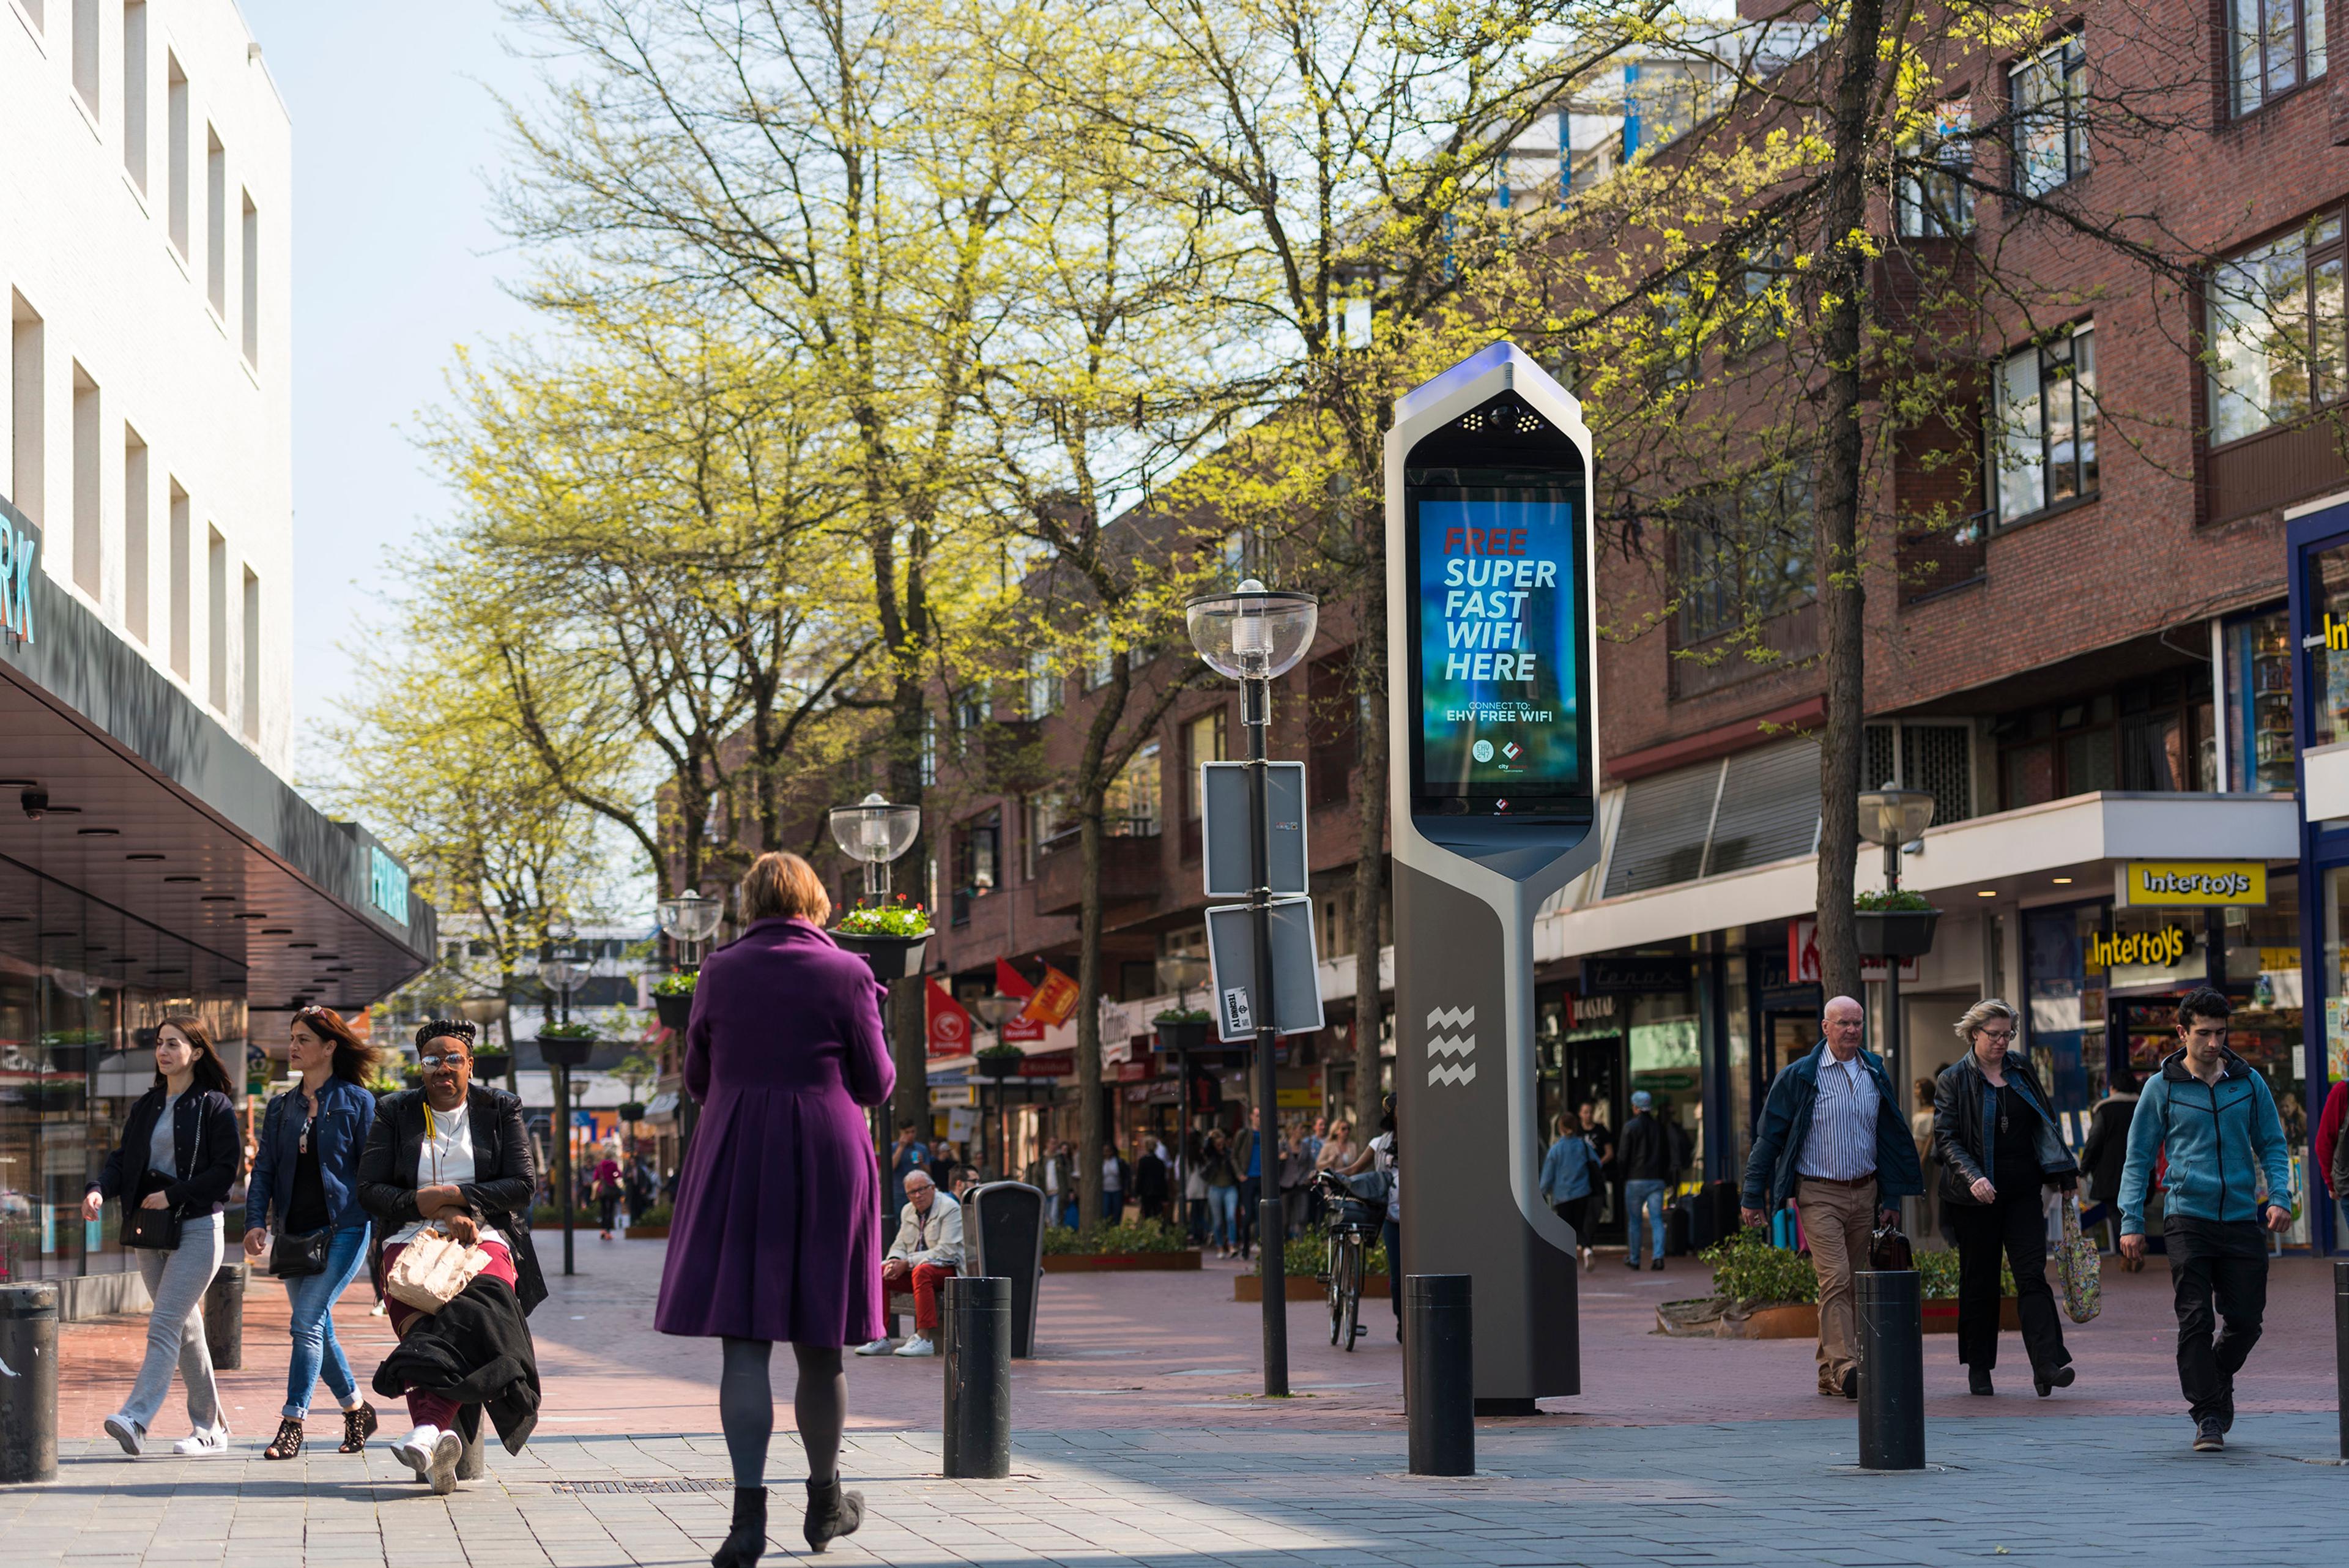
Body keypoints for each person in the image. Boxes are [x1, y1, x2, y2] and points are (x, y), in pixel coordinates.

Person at [653, 852, 892, 1559]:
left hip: (737, 1151)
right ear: (815, 902)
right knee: (822, 1345)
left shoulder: (719, 970)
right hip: (827, 1152)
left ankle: (746, 1521)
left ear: (751, 903)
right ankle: (825, 1504)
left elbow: (697, 1077)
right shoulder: (849, 972)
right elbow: (876, 1083)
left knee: (745, 1342)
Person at [358, 1020, 547, 1495]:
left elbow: (523, 1184)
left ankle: (428, 1431)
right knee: (425, 1323)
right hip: (410, 1236)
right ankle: (437, 1441)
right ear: (420, 1067)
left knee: (472, 1314)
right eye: (432, 1060)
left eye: (453, 1059)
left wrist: (457, 1197)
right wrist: (433, 1207)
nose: (442, 1068)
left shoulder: (499, 1107)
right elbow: (370, 1189)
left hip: (484, 1236)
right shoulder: (394, 1110)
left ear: (470, 1065)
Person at [2117, 986, 2295, 1453]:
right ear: (2182, 1032)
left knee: (2246, 1321)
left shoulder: (2248, 1082)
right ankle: (2207, 1414)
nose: (2214, 1042)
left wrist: (2280, 1196)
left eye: (2220, 1032)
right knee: (2195, 1318)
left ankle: (2216, 1374)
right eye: (2203, 1033)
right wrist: (2131, 1220)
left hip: (2240, 1219)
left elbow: (2273, 1144)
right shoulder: (2162, 1087)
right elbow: (2138, 1157)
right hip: (2187, 1218)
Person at [1739, 994, 1923, 1400]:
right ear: (1825, 1027)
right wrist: (1753, 1195)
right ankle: (1848, 1367)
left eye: (1857, 1023)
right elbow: (1768, 1138)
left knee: (1851, 1284)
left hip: (1866, 1192)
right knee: (1835, 1278)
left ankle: (1828, 1372)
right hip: (1818, 1193)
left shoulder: (1874, 1070)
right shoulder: (1800, 1076)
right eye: (1843, 1023)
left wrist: (1891, 1197)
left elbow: (1889, 1137)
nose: (1852, 1030)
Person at [82, 1016, 243, 1457]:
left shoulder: (214, 1105)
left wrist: (173, 1195)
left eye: (174, 1043)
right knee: (185, 1327)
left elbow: (224, 1172)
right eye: (159, 1043)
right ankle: (212, 1428)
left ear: (197, 1051)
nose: (163, 1051)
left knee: (165, 1322)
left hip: (197, 1229)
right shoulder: (147, 1105)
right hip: (149, 1231)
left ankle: (136, 1418)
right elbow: (122, 1161)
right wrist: (98, 1189)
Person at [243, 1005, 382, 1460]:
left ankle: (293, 1422)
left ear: (329, 1047)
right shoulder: (281, 1106)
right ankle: (357, 1409)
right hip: (294, 1234)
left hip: (345, 1228)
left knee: (305, 1323)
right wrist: (256, 1221)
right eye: (292, 1038)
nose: (294, 1046)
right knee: (319, 1329)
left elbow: (372, 1171)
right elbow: (265, 1169)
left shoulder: (357, 1102)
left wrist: (383, 1230)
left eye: (303, 1039)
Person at [1931, 1000, 2077, 1398]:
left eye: (2007, 1034)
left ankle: (2046, 1364)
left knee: (2032, 1275)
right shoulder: (1953, 1079)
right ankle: (1979, 1368)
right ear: (1973, 1033)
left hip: (2022, 1192)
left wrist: (2063, 1173)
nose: (2001, 1041)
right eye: (1994, 1034)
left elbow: (2045, 1122)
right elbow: (1946, 1138)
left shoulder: (2021, 1068)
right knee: (1980, 1280)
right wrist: (1974, 1176)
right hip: (1974, 1197)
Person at [868, 1170, 962, 1358]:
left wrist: (908, 1263)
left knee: (922, 1271)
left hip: (948, 1270)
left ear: (933, 1188)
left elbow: (947, 1251)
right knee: (881, 1272)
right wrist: (894, 1261)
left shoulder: (950, 1208)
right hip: (917, 1269)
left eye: (922, 1189)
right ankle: (880, 1337)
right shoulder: (908, 1210)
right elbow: (900, 1244)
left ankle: (924, 1339)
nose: (918, 1195)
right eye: (912, 1192)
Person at [1343, 1094, 1402, 1336]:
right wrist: (1331, 1175)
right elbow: (1355, 1168)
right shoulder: (1379, 1143)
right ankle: (1402, 1321)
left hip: (1419, 1218)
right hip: (1392, 1216)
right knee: (1397, 1275)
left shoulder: (1420, 1136)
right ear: (1392, 1115)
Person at [2079, 1069, 2142, 1264]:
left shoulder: (2105, 1110)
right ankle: (2138, 1245)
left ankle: (2128, 1254)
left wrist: (2084, 1167)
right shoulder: (2142, 1106)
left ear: (2113, 1088)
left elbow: (2094, 1140)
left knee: (2115, 1211)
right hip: (2140, 1167)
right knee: (2137, 1206)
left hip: (2111, 1170)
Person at [1615, 1091, 1674, 1271]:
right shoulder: (1660, 1127)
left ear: (1635, 1107)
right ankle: (1658, 1257)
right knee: (1657, 1220)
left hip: (1635, 1179)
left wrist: (1623, 1175)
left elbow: (1623, 1156)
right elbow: (1667, 1155)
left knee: (1635, 1222)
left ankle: (1635, 1259)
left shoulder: (1630, 1127)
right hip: (1656, 1179)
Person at [1540, 1112, 1602, 1271]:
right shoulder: (1583, 1146)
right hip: (1582, 1193)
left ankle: (1564, 1261)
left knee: (1565, 1229)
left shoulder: (1556, 1150)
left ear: (1560, 1128)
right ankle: (1587, 1249)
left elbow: (1547, 1176)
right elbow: (1598, 1164)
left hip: (1563, 1196)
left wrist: (1543, 1192)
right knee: (1579, 1226)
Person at [1201, 1129, 1241, 1257]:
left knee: (1231, 1217)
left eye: (1222, 1144)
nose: (1221, 1146)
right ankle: (1220, 1246)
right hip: (1215, 1189)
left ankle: (1232, 1244)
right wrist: (1210, 1138)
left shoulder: (1229, 1154)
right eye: (1218, 1144)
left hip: (1230, 1188)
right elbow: (1206, 1148)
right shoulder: (1210, 1154)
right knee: (1217, 1221)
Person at [1233, 1107, 1265, 1260]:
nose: (1260, 1118)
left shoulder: (1268, 1134)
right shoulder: (1244, 1134)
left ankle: (1261, 1246)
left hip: (1263, 1179)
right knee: (1248, 1216)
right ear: (1252, 1116)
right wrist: (1240, 1174)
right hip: (1248, 1178)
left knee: (1263, 1215)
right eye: (1257, 1115)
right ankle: (1245, 1247)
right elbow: (1234, 1156)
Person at [592, 1146, 623, 1241]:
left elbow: (596, 1177)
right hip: (611, 1190)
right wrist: (613, 1176)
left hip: (602, 1191)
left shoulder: (599, 1166)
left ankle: (602, 1230)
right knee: (610, 1211)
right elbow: (618, 1175)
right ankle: (608, 1232)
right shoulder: (613, 1165)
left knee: (603, 1210)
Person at [1134, 1139, 1169, 1222]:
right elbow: (1163, 1180)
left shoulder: (1143, 1161)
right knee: (1157, 1214)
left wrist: (1137, 1193)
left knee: (1147, 1214)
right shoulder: (1160, 1162)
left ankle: (1148, 1228)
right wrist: (1165, 1197)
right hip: (1158, 1192)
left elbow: (1140, 1178)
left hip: (1146, 1192)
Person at [1100, 1139, 1130, 1224]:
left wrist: (1127, 1189)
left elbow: (1126, 1176)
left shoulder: (1119, 1162)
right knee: (1106, 1212)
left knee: (1117, 1211)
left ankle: (1116, 1227)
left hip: (1117, 1190)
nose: (1107, 1153)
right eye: (1105, 1151)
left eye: (1108, 1151)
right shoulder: (1101, 1162)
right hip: (1105, 1190)